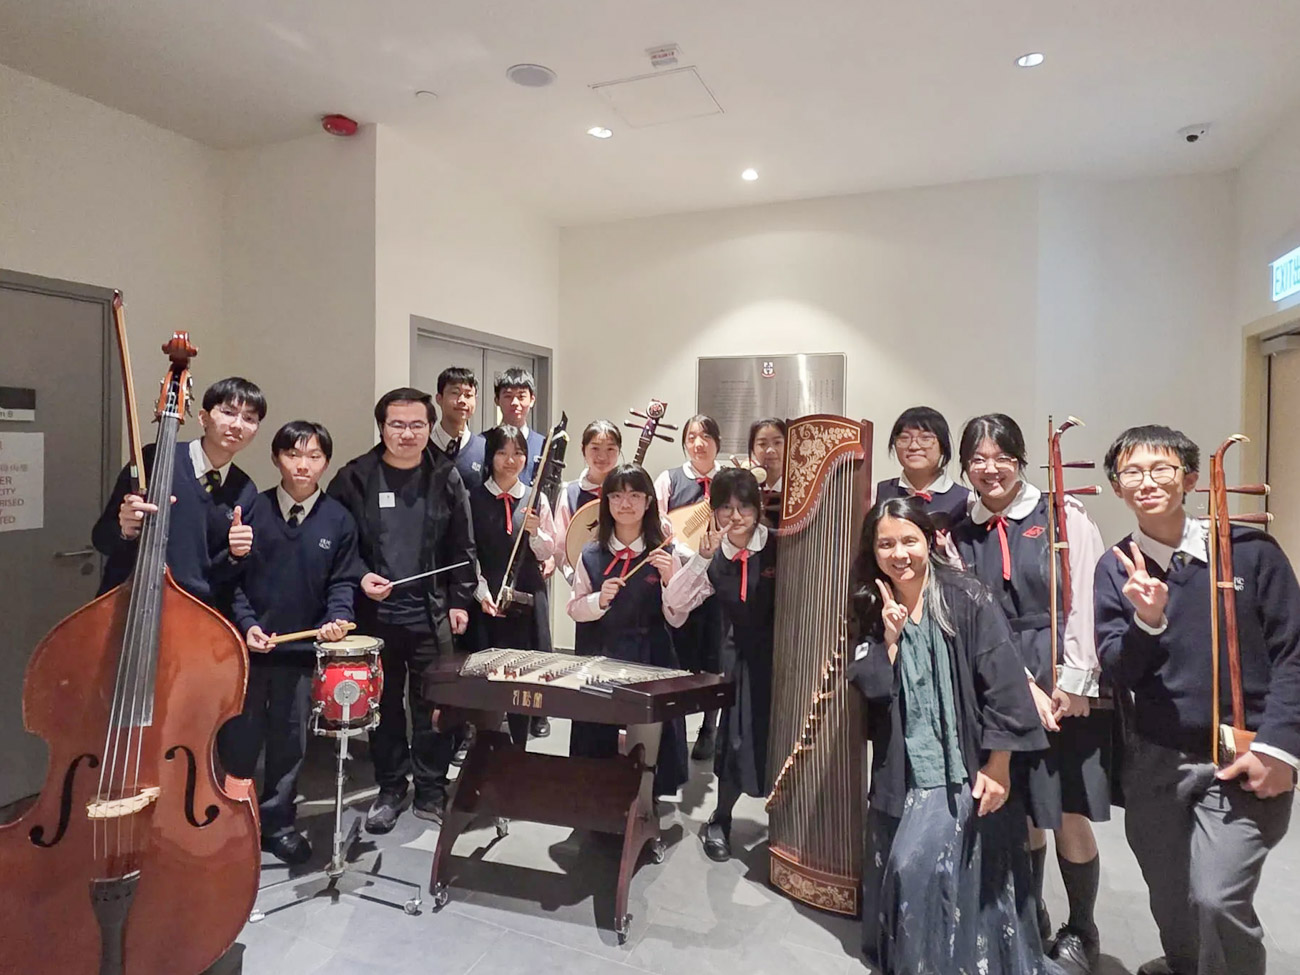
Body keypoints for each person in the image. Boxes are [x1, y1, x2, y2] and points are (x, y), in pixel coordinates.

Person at [1095, 425, 1299, 975]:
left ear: (1188, 479)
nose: (1147, 482)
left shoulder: (1250, 554)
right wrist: (1147, 620)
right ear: (1117, 487)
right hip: (1155, 758)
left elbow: (1293, 653)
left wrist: (1280, 748)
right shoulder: (1117, 566)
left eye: (1161, 468)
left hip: (1243, 754)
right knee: (1171, 898)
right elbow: (1118, 669)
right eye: (1132, 472)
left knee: (1217, 897)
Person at [848, 497, 1054, 974]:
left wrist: (999, 765)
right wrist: (889, 641)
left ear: (929, 541)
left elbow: (1004, 685)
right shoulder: (870, 602)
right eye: (886, 544)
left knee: (921, 869)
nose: (899, 554)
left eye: (909, 541)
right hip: (905, 767)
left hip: (966, 765)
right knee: (910, 873)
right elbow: (871, 687)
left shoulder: (967, 597)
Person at [952, 414, 1110, 974]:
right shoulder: (961, 532)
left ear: (1020, 460)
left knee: (1066, 810)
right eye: (977, 459)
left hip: (1062, 675)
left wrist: (1073, 680)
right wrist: (1020, 690)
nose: (989, 469)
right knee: (1019, 808)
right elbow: (974, 619)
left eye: (1001, 457)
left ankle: (1082, 928)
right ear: (965, 467)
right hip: (999, 679)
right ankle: (1029, 912)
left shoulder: (1063, 515)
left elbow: (1088, 598)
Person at [327, 387, 477, 832]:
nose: (407, 434)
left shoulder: (446, 476)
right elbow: (338, 544)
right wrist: (360, 576)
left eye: (416, 425)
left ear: (430, 427)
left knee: (434, 705)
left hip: (430, 611)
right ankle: (391, 787)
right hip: (375, 616)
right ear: (382, 428)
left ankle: (430, 789)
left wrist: (460, 600)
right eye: (397, 424)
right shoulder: (355, 478)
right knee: (384, 706)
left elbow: (463, 546)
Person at [219, 421, 360, 864]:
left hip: (300, 654)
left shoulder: (339, 519)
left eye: (314, 456)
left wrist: (337, 618)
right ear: (276, 458)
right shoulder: (251, 509)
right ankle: (231, 823)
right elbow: (231, 580)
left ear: (326, 463)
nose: (303, 465)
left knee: (289, 741)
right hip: (248, 650)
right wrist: (246, 625)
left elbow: (342, 581)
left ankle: (278, 824)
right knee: (238, 739)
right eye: (293, 455)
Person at [663, 468, 775, 861]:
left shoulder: (778, 545)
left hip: (785, 658)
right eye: (726, 507)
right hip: (742, 660)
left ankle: (787, 823)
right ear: (714, 512)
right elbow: (675, 605)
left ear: (758, 508)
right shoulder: (714, 557)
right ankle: (721, 818)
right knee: (735, 740)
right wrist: (703, 558)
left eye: (745, 506)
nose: (736, 516)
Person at [567, 463, 689, 797]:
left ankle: (645, 803)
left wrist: (669, 580)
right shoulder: (591, 554)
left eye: (635, 495)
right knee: (597, 733)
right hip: (602, 654)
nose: (625, 504)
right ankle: (600, 800)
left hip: (652, 654)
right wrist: (599, 600)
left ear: (648, 502)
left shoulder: (665, 553)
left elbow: (678, 618)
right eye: (617, 496)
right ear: (606, 502)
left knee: (648, 740)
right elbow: (574, 609)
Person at [92, 376, 265, 607]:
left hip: (193, 612)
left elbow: (220, 579)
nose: (237, 425)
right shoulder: (152, 460)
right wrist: (125, 531)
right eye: (228, 412)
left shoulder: (245, 489)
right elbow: (101, 539)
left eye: (249, 418)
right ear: (203, 417)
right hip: (129, 603)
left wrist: (236, 555)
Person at [468, 424, 557, 745]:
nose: (511, 460)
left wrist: (535, 532)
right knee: (490, 674)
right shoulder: (474, 499)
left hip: (528, 594)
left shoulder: (536, 498)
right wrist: (481, 592)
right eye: (502, 453)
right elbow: (469, 553)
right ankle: (486, 745)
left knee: (525, 672)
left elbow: (548, 552)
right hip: (489, 596)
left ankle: (520, 745)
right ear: (490, 456)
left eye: (518, 453)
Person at [654, 414, 725, 761]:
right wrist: (683, 550)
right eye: (692, 437)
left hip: (718, 581)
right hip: (679, 580)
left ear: (717, 443)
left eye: (706, 436)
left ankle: (709, 727)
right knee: (678, 656)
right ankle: (675, 727)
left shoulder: (728, 480)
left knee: (713, 656)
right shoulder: (669, 479)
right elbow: (658, 525)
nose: (699, 443)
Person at [875, 405, 970, 533]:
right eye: (904, 438)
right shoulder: (876, 493)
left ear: (943, 446)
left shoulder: (966, 500)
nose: (913, 446)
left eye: (925, 438)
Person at [554, 419, 623, 589]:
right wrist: (576, 578)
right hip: (584, 584)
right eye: (595, 448)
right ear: (583, 449)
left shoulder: (629, 491)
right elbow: (561, 546)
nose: (602, 457)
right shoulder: (570, 493)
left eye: (610, 449)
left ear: (619, 451)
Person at [459, 367, 545, 487]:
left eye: (521, 397)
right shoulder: (482, 442)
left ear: (532, 400)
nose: (515, 403)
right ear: (497, 400)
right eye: (508, 396)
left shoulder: (543, 445)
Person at [432, 366, 477, 465]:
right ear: (439, 398)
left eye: (468, 395)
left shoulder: (483, 448)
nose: (462, 401)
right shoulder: (423, 447)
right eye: (455, 393)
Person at [748, 417, 785, 527]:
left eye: (777, 442)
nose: (770, 450)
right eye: (762, 444)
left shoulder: (800, 490)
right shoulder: (745, 489)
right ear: (753, 450)